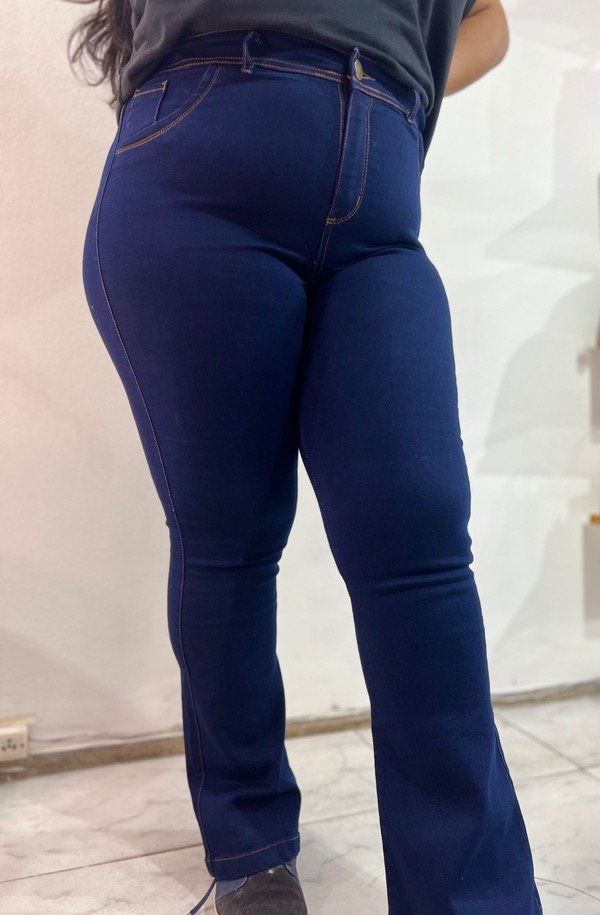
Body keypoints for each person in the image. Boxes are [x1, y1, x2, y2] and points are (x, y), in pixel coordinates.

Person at [67, 0, 544, 912]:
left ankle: (471, 895)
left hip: (381, 185)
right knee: (230, 536)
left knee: (419, 538)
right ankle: (250, 849)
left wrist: (388, 79)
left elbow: (489, 22)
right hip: (201, 157)